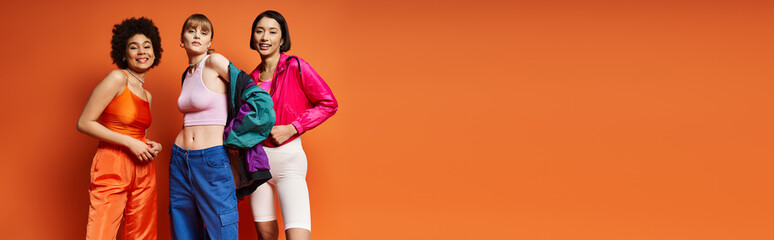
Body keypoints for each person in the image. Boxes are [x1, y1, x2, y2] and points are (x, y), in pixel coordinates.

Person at [247, 10, 339, 240]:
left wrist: (293, 127)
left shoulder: (296, 66)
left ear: (282, 39)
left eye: (272, 31)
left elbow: (329, 103)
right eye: (260, 31)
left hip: (289, 161)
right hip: (258, 164)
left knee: (297, 236)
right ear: (253, 38)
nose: (265, 37)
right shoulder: (250, 79)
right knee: (265, 235)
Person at [77, 17, 163, 240]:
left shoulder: (147, 95)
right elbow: (84, 123)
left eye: (147, 46)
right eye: (134, 47)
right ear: (124, 54)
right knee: (101, 233)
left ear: (155, 53)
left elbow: (140, 135)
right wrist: (129, 142)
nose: (142, 51)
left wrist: (151, 144)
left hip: (143, 168)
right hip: (112, 163)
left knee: (142, 235)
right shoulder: (117, 78)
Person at [169, 13, 241, 240]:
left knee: (222, 230)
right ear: (182, 38)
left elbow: (248, 92)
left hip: (211, 159)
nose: (197, 35)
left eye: (204, 32)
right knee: (183, 230)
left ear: (210, 42)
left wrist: (239, 141)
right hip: (180, 160)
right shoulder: (187, 74)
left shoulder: (214, 61)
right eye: (191, 30)